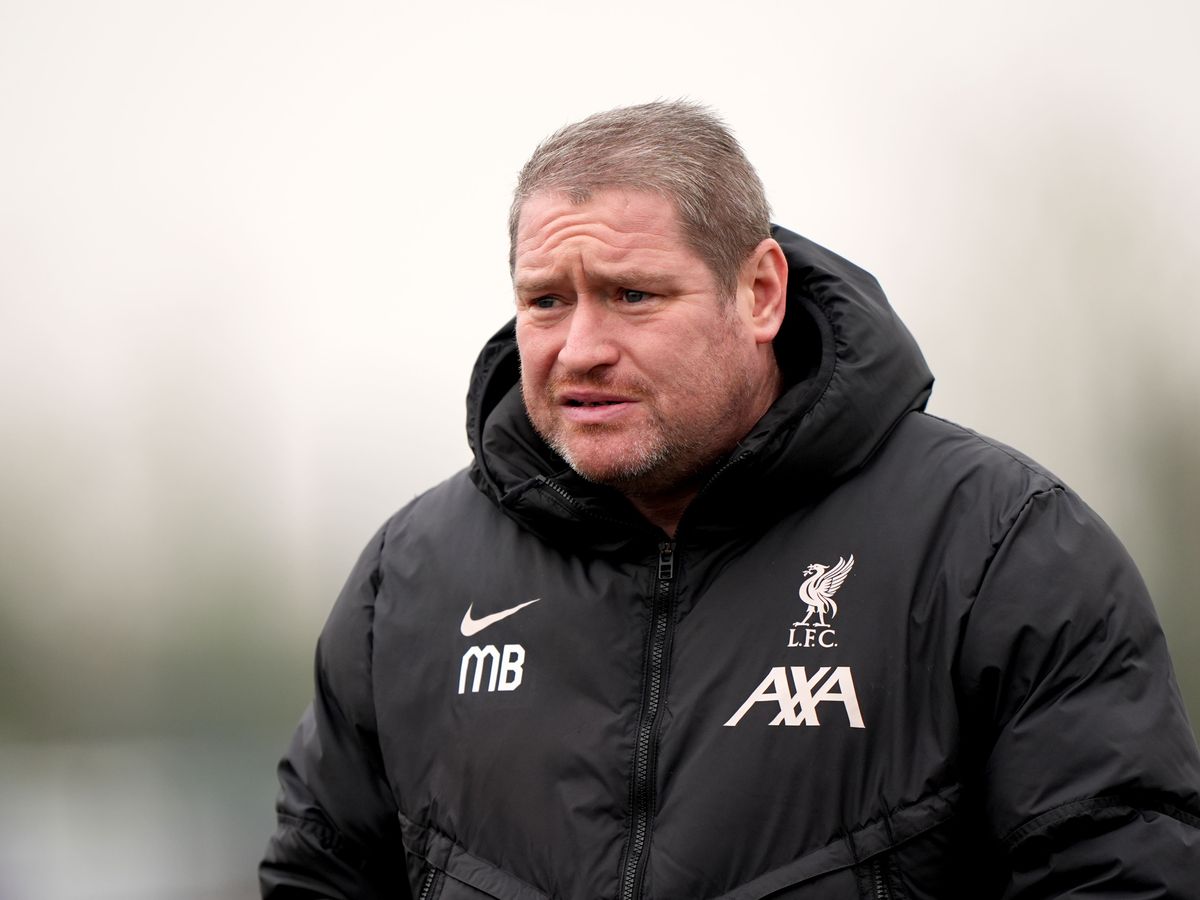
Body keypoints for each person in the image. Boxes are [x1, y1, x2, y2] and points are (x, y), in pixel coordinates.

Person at [260, 102, 1200, 899]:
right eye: (546, 301)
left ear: (759, 293)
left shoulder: (998, 546)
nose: (579, 346)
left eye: (632, 295)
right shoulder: (409, 584)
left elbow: (1118, 869)